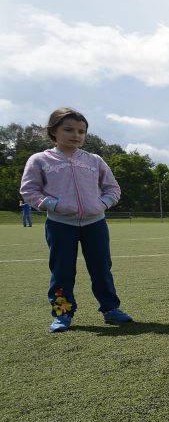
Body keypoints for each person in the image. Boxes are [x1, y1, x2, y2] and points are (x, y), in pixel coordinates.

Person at [19, 107, 134, 332]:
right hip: (60, 225)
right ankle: (62, 313)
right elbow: (29, 191)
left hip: (95, 224)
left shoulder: (94, 160)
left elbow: (113, 188)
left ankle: (110, 309)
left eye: (81, 131)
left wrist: (101, 204)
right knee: (62, 271)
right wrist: (54, 205)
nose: (76, 135)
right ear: (54, 131)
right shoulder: (40, 160)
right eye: (69, 129)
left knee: (101, 269)